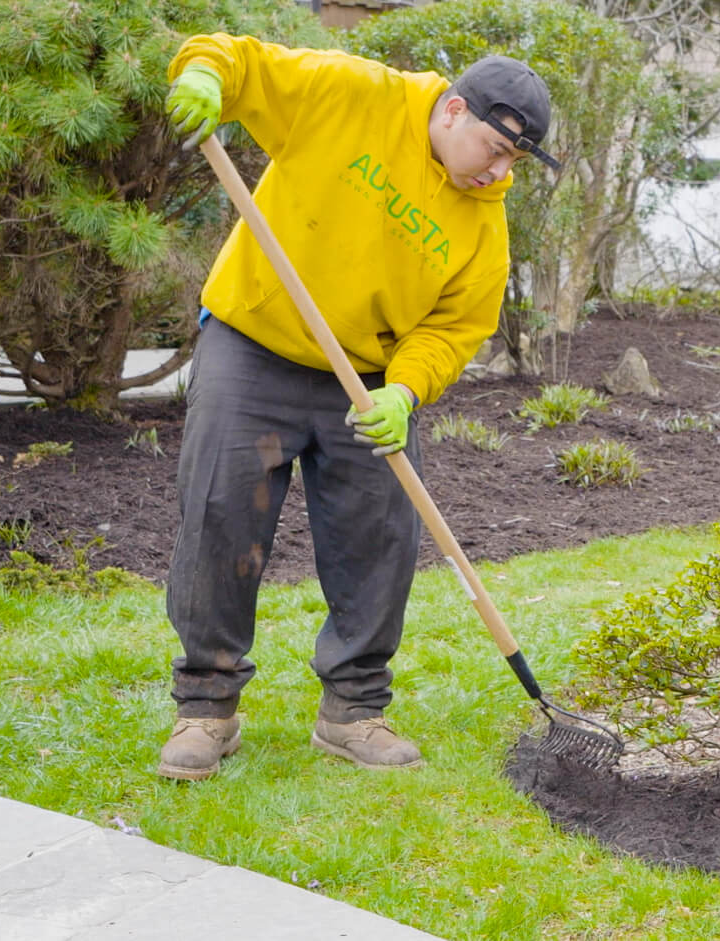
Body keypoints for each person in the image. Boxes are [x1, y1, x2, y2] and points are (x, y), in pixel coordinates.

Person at [155, 34, 559, 781]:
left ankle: (353, 710)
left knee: (379, 536)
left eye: (516, 161)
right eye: (496, 148)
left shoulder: (483, 222)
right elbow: (232, 58)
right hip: (254, 341)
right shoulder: (351, 92)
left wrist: (404, 391)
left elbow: (453, 327)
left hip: (366, 377)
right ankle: (206, 708)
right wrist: (205, 78)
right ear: (453, 108)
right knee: (220, 513)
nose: (501, 171)